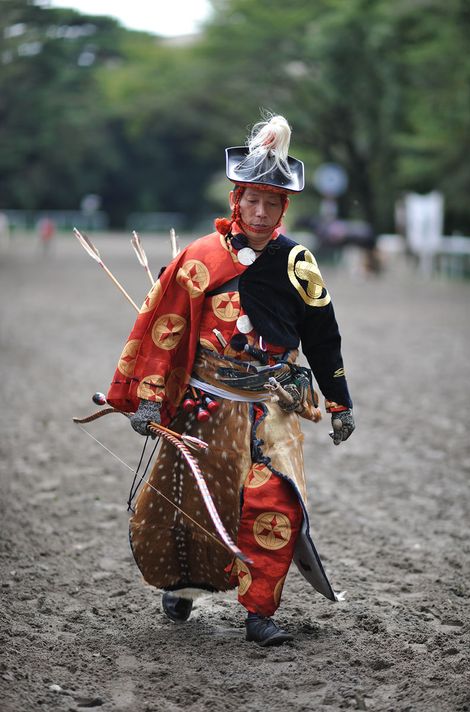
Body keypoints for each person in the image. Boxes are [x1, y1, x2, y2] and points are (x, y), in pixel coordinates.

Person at [106, 114, 355, 646]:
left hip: (272, 407)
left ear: (283, 209)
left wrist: (340, 402)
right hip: (204, 405)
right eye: (252, 201)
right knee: (194, 503)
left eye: (272, 203)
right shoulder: (197, 259)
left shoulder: (298, 263)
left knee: (274, 506)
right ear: (236, 201)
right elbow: (162, 331)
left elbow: (324, 336)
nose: (261, 213)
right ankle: (183, 584)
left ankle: (259, 611)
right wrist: (150, 399)